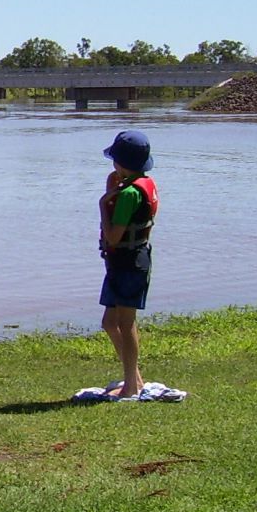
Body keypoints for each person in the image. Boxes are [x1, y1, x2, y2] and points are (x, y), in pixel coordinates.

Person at [98, 130, 158, 399]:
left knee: (125, 322)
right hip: (125, 259)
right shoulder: (140, 183)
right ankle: (134, 378)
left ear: (119, 163)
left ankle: (131, 388)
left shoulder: (129, 194)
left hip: (129, 261)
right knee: (110, 322)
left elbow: (113, 236)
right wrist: (112, 184)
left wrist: (102, 205)